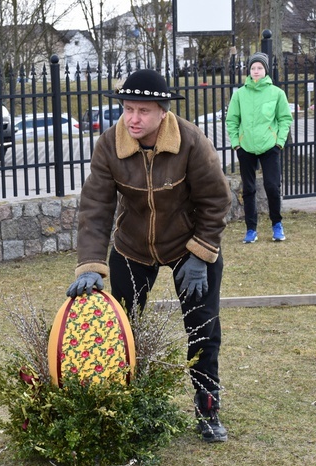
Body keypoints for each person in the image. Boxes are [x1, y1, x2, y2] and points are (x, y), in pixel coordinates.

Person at [66, 69, 233, 443]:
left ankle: (208, 409)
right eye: (127, 109)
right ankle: (122, 406)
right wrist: (92, 265)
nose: (133, 118)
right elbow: (95, 206)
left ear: (162, 111)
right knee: (117, 330)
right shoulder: (109, 145)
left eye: (143, 110)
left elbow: (216, 200)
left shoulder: (190, 141)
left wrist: (201, 253)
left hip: (187, 245)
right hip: (132, 247)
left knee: (202, 330)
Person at [225, 52, 293, 243]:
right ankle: (251, 229)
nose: (256, 71)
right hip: (245, 147)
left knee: (272, 186)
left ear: (266, 71)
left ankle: (277, 224)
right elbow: (232, 120)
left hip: (270, 146)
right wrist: (236, 143)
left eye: (260, 68)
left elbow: (285, 119)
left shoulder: (277, 93)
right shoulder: (240, 94)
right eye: (253, 68)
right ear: (249, 70)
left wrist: (279, 142)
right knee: (248, 188)